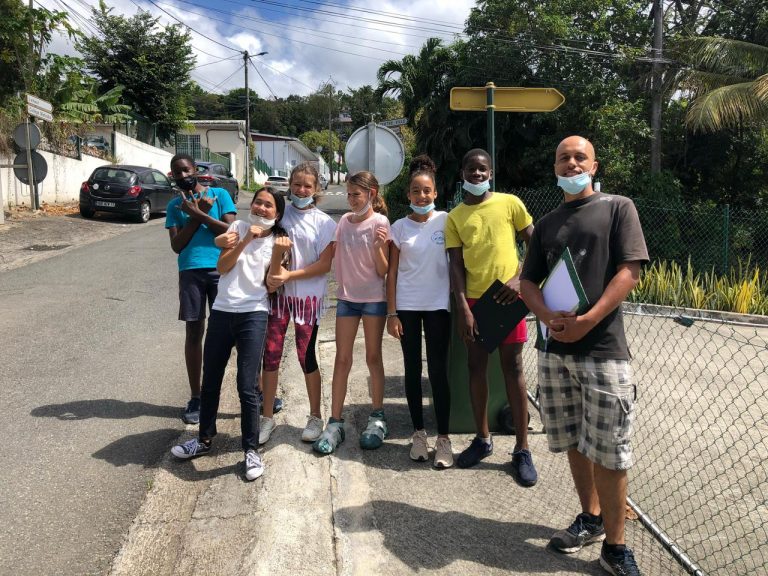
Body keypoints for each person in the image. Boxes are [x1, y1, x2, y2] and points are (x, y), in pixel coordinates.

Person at [520, 136, 648, 576]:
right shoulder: (547, 223)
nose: (571, 163)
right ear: (554, 167)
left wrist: (588, 320)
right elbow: (528, 282)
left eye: (579, 157)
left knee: (610, 452)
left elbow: (629, 271)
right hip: (555, 352)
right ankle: (590, 518)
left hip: (603, 351)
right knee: (574, 441)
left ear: (594, 165)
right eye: (563, 158)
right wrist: (545, 316)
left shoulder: (618, 208)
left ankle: (615, 547)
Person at [170, 189, 290, 482]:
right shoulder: (236, 227)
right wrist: (245, 239)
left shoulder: (280, 240)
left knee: (247, 385)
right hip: (223, 310)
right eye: (258, 202)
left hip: (254, 314)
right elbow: (222, 267)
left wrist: (277, 255)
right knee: (210, 379)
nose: (261, 208)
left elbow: (271, 285)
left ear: (277, 214)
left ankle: (250, 449)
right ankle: (203, 439)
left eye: (268, 205)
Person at [445, 148, 538, 486]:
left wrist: (520, 279)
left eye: (482, 169)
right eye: (471, 169)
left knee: (513, 368)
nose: (477, 174)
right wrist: (463, 309)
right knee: (476, 367)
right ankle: (483, 439)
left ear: (491, 173)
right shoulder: (455, 217)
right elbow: (456, 266)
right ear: (463, 174)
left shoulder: (510, 204)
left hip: (509, 298)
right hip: (475, 302)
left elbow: (536, 243)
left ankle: (522, 449)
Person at [237, 163, 336, 444]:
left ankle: (315, 416)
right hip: (277, 297)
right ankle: (267, 417)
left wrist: (289, 275)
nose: (301, 190)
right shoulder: (280, 215)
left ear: (317, 189)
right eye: (296, 184)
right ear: (289, 185)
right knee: (270, 355)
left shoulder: (325, 223)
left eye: (307, 186)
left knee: (306, 356)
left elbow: (325, 265)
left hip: (307, 299)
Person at [313, 171, 390, 455]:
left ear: (371, 194)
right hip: (346, 299)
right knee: (342, 359)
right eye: (348, 194)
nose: (351, 199)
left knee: (373, 357)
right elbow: (328, 252)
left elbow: (383, 270)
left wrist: (379, 247)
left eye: (356, 194)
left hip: (373, 300)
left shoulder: (380, 222)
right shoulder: (344, 221)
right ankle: (335, 423)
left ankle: (378, 417)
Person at [386, 155, 453, 468]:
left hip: (439, 306)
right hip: (407, 307)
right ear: (408, 194)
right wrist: (391, 313)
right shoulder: (399, 227)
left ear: (435, 193)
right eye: (416, 191)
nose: (422, 196)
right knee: (412, 369)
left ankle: (444, 439)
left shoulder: (447, 221)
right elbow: (392, 273)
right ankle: (418, 434)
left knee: (438, 371)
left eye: (427, 191)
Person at [166, 153, 237, 425]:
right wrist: (196, 216)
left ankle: (255, 389)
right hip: (190, 272)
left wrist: (199, 214)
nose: (183, 176)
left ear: (195, 169)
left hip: (223, 269)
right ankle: (197, 397)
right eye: (177, 172)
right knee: (194, 332)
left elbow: (231, 233)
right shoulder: (175, 206)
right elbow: (177, 245)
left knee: (234, 331)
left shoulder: (219, 195)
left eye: (186, 170)